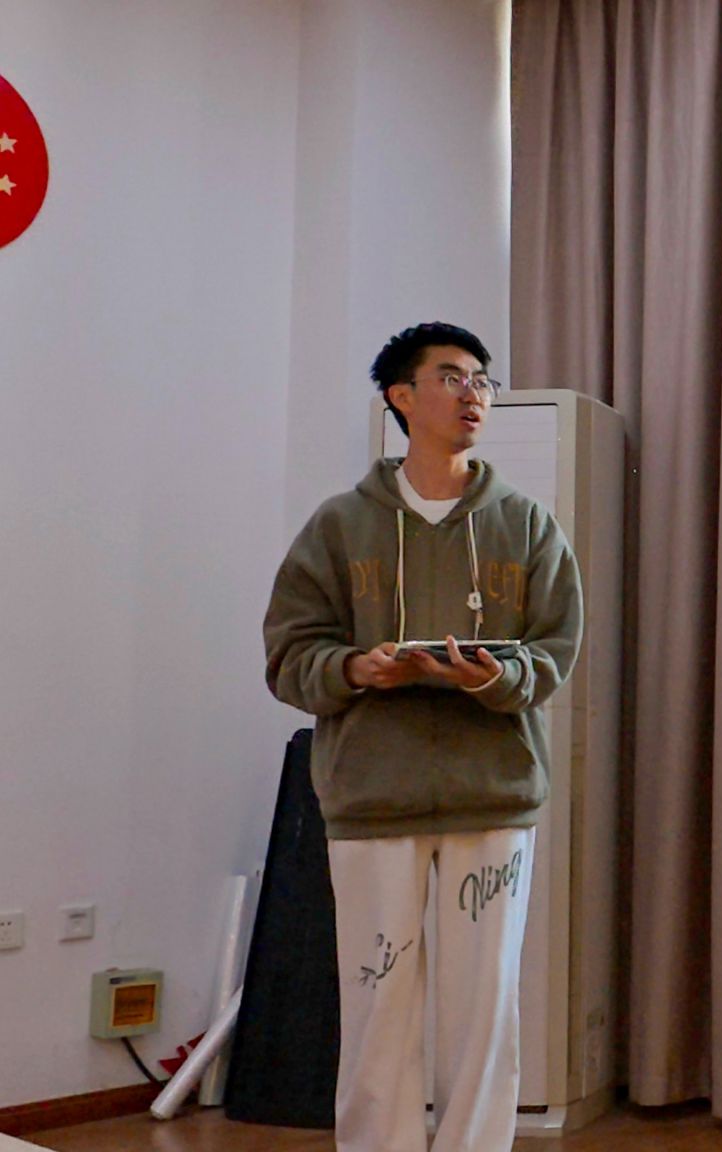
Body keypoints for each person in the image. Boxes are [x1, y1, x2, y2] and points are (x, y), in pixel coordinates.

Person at [263, 322, 583, 1152]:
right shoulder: (339, 526)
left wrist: (492, 677)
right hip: (372, 797)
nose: (474, 394)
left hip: (494, 795)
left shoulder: (526, 524)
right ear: (401, 398)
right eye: (451, 377)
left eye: (482, 380)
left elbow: (554, 653)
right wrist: (356, 669)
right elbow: (290, 654)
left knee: (485, 1014)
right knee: (379, 1005)